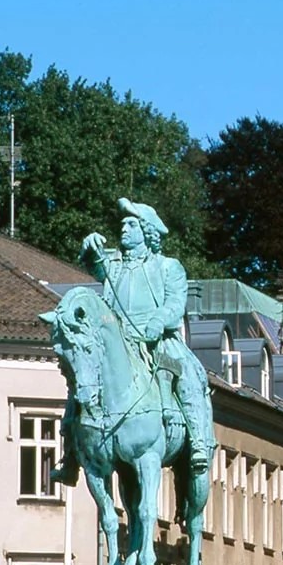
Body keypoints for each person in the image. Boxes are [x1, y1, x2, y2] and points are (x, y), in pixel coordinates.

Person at [51, 198, 214, 484]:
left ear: (147, 231)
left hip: (156, 338)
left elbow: (176, 304)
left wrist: (158, 321)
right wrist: (89, 248)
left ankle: (198, 441)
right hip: (119, 341)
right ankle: (71, 454)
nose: (123, 229)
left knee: (188, 374)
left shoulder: (168, 267)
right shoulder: (113, 264)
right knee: (81, 379)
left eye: (131, 224)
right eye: (123, 224)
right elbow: (94, 266)